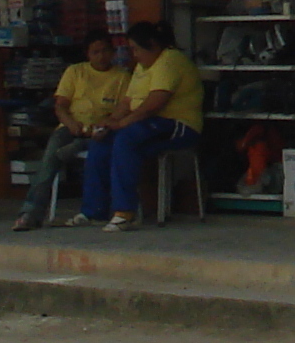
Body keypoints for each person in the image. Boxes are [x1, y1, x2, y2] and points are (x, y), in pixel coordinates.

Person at [82, 21, 204, 230]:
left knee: (126, 138)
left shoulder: (169, 60)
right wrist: (110, 122)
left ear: (152, 45)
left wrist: (122, 123)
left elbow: (154, 104)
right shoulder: (142, 66)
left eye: (136, 49)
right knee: (103, 142)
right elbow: (127, 101)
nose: (134, 55)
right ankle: (94, 211)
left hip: (178, 125)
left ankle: (125, 211)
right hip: (149, 126)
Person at [10, 32, 125, 232]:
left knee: (97, 144)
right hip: (71, 127)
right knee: (49, 161)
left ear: (113, 52)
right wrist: (70, 123)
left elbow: (122, 110)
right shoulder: (75, 72)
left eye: (105, 51)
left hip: (102, 131)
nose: (101, 56)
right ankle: (30, 213)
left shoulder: (122, 76)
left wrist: (104, 125)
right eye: (95, 52)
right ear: (87, 54)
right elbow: (60, 106)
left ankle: (78, 146)